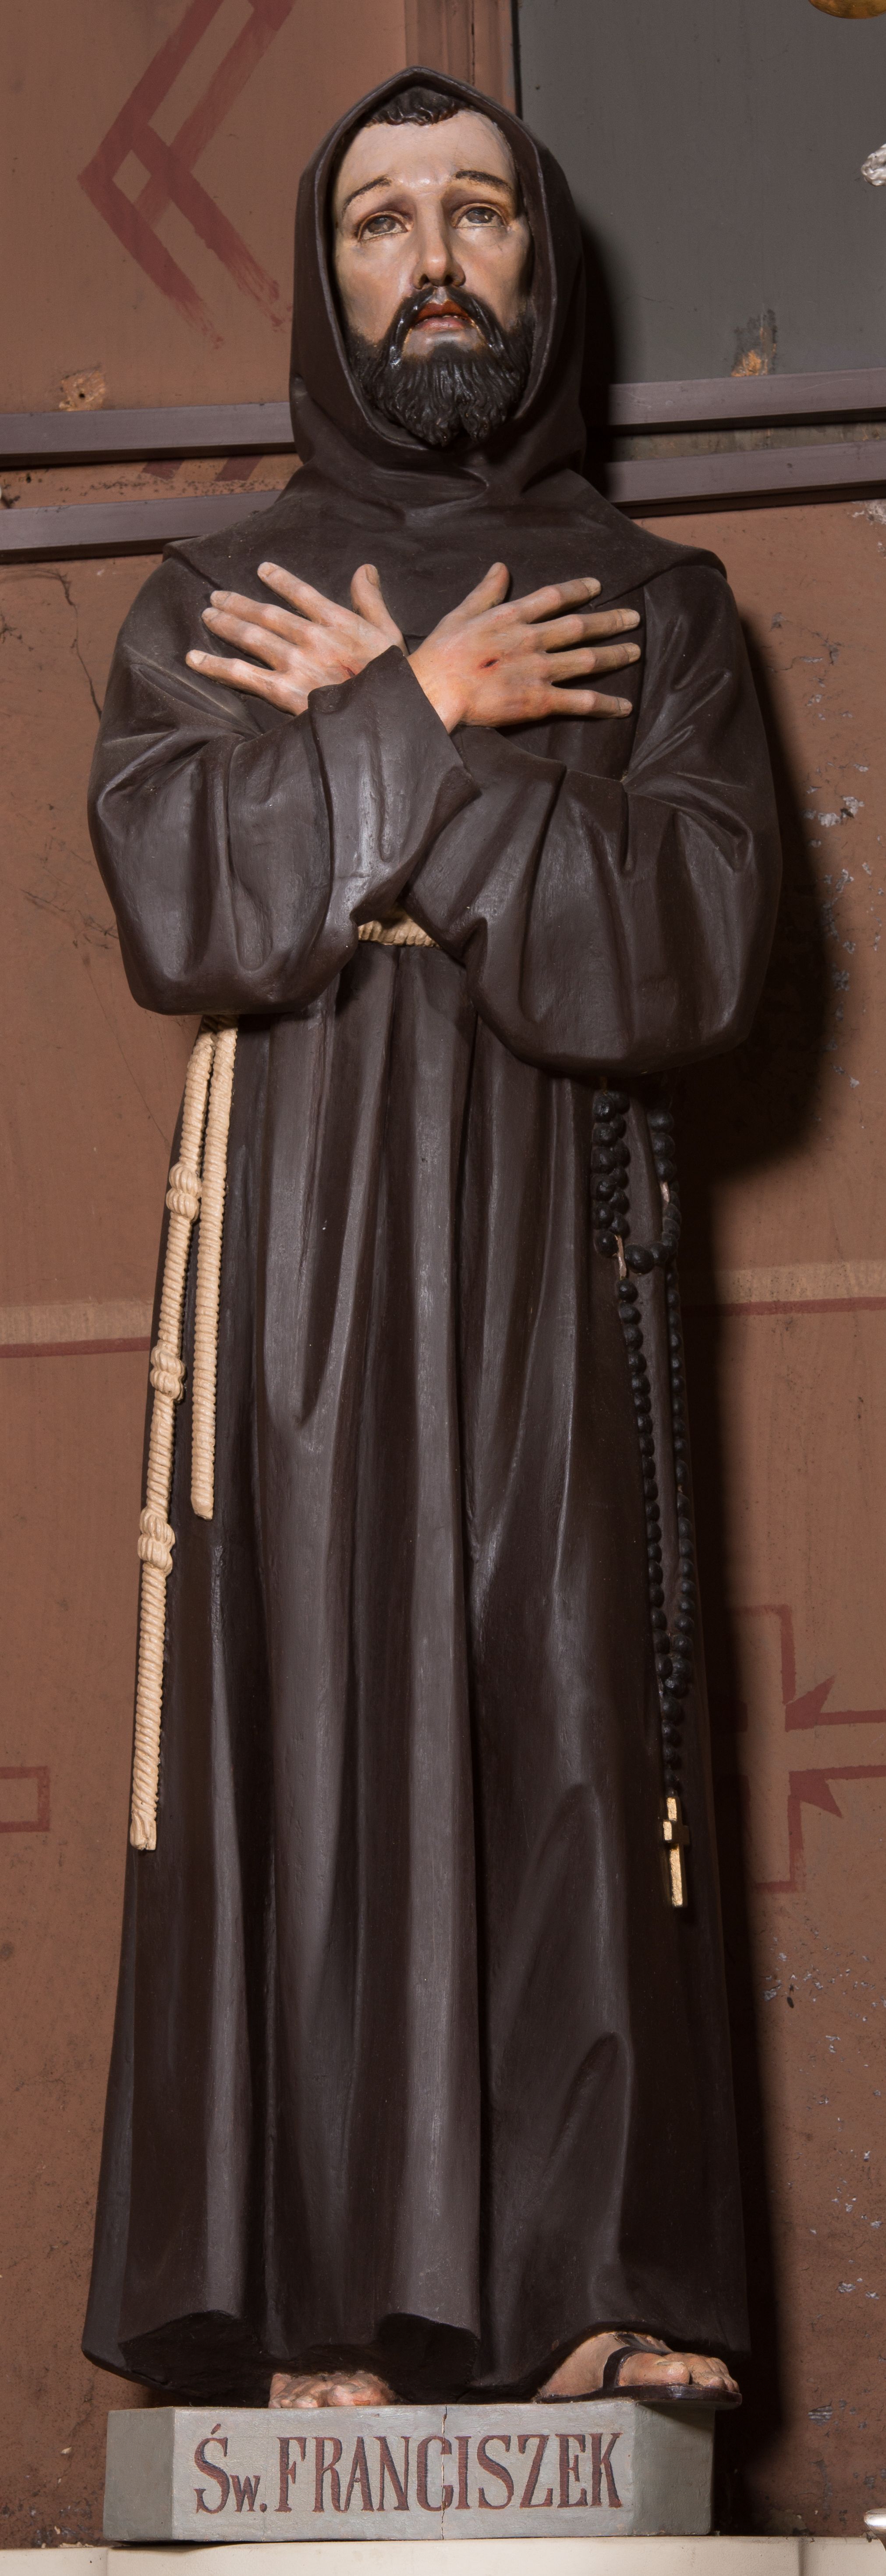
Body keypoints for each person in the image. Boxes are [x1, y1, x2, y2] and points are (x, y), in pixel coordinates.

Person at [83, 68, 780, 2414]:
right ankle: (322, 2316)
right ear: (328, 278)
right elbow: (184, 903)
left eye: (478, 213)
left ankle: (602, 2286)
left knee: (577, 1717)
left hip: (567, 1248)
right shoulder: (216, 605)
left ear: (538, 264)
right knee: (310, 1727)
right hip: (295, 1252)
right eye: (382, 224)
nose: (436, 262)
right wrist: (429, 709)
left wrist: (398, 758)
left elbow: (692, 947)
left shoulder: (658, 613)